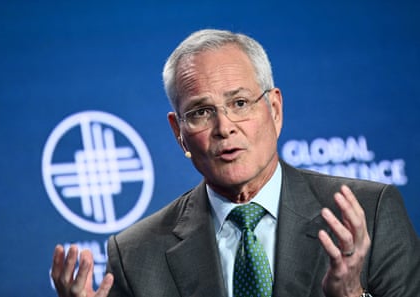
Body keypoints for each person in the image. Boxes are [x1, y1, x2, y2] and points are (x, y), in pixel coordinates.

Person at [51, 29, 420, 297]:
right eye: (200, 112)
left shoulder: (369, 212)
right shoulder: (135, 255)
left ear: (274, 110)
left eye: (240, 103)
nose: (224, 128)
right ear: (178, 132)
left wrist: (352, 296)